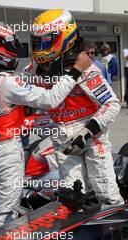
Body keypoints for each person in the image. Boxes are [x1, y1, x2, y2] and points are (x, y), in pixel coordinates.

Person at [0, 20, 91, 236]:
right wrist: (76, 70)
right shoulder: (6, 83)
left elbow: (13, 108)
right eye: (10, 46)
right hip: (6, 155)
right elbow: (51, 99)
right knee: (6, 211)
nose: (13, 51)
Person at [30, 9, 123, 205]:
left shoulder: (86, 68)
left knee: (106, 195)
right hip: (61, 139)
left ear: (65, 37)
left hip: (92, 137)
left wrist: (87, 131)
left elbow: (111, 103)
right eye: (37, 42)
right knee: (74, 198)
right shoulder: (32, 71)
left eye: (46, 41)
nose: (40, 47)